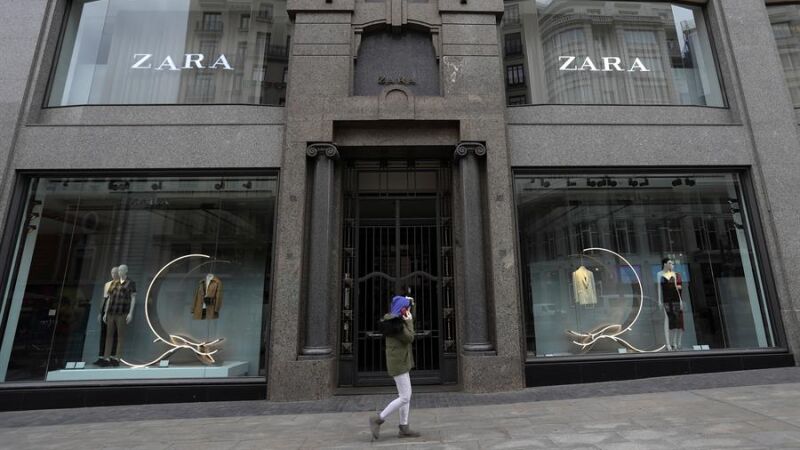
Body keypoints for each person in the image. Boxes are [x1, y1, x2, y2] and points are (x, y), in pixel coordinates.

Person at [369, 288, 421, 441]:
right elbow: (410, 337)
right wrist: (409, 321)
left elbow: (410, 318)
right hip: (399, 364)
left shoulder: (393, 320)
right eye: (407, 308)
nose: (408, 311)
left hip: (400, 361)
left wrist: (410, 304)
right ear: (402, 309)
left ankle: (404, 427)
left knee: (405, 396)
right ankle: (378, 419)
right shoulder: (395, 325)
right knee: (405, 397)